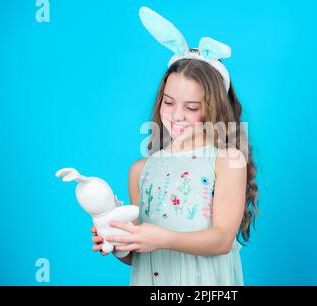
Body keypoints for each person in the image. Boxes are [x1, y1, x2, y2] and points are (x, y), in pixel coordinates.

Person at [91, 6, 259, 285]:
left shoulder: (227, 160)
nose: (176, 115)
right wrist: (119, 242)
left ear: (213, 109)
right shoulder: (141, 170)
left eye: (191, 107)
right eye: (168, 102)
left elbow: (221, 240)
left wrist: (162, 237)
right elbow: (141, 254)